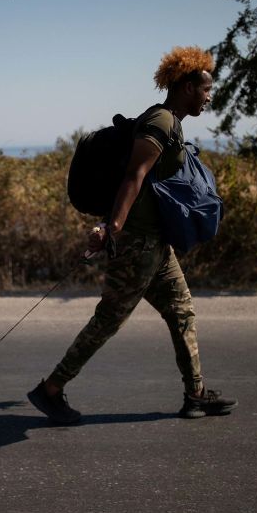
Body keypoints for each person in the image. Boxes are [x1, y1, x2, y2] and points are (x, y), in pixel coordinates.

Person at [28, 46, 238, 423]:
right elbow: (133, 176)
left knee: (182, 312)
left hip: (156, 243)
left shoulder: (171, 122)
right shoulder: (159, 122)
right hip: (137, 242)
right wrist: (113, 227)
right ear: (188, 86)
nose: (209, 97)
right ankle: (51, 389)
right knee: (108, 319)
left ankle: (196, 394)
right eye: (206, 90)